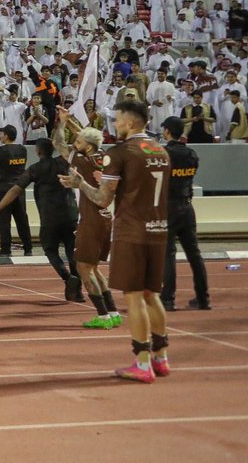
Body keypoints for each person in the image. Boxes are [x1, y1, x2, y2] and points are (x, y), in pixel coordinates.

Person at [61, 99, 173, 383]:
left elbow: (102, 197)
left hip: (131, 230)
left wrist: (79, 184)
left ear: (132, 122)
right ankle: (161, 357)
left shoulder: (120, 152)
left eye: (119, 120)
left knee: (134, 297)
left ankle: (143, 360)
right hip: (159, 228)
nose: (115, 124)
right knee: (152, 295)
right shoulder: (160, 150)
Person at [0, 138, 85, 302]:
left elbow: (15, 189)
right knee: (72, 252)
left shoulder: (34, 169)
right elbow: (75, 147)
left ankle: (67, 277)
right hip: (70, 214)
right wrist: (64, 123)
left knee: (50, 250)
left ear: (38, 151)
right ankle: (77, 288)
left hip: (49, 217)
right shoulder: (63, 162)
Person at [51, 111, 120, 329]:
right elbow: (85, 136)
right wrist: (70, 120)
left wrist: (62, 124)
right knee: (94, 268)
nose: (75, 142)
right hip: (106, 217)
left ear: (87, 146)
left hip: (90, 218)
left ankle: (102, 315)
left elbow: (58, 142)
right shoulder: (103, 155)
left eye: (78, 142)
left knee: (83, 268)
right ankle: (113, 312)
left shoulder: (81, 161)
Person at [159, 117, 210, 311]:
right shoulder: (191, 153)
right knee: (194, 254)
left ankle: (168, 299)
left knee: (168, 254)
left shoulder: (165, 153)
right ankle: (203, 298)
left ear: (167, 132)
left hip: (169, 207)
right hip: (187, 207)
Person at [0, 125, 31, 256]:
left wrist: (2, 181)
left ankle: (6, 249)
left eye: (1, 133)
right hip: (19, 188)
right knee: (22, 219)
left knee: (3, 220)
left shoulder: (0, 151)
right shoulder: (22, 149)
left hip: (3, 188)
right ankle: (28, 248)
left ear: (6, 136)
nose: (0, 136)